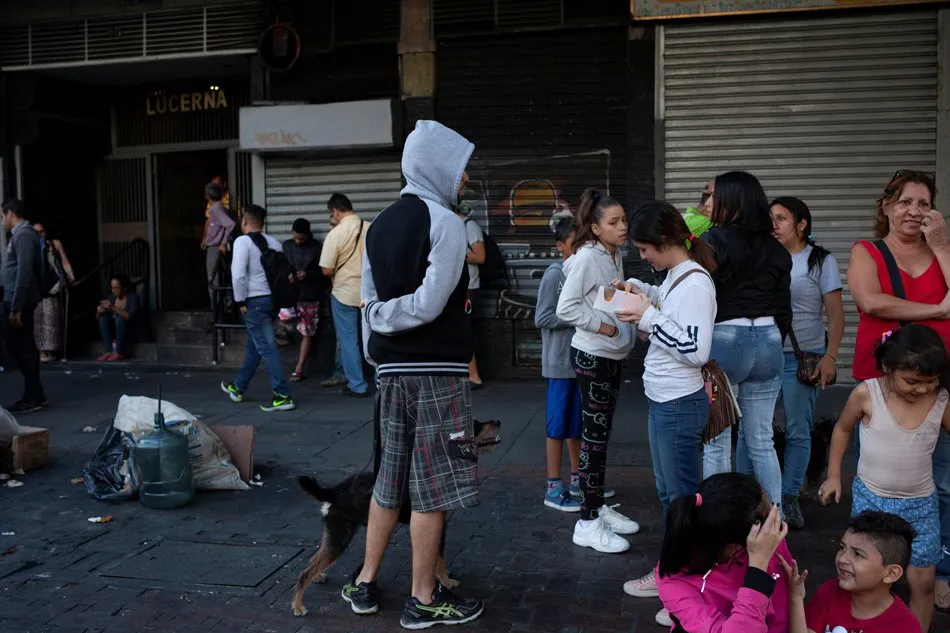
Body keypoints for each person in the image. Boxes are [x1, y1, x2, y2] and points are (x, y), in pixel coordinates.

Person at [349, 120, 483, 628]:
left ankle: (365, 580)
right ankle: (423, 598)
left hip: (391, 372)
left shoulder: (379, 222)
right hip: (436, 375)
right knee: (434, 486)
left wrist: (377, 341)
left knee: (390, 478)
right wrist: (381, 319)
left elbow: (367, 301)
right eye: (461, 167)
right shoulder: (446, 223)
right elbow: (429, 303)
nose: (465, 178)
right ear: (438, 166)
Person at [846, 170, 950, 609]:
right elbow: (870, 301)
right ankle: (876, 569)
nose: (914, 210)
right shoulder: (867, 251)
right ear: (887, 206)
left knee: (941, 478)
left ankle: (935, 566)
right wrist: (939, 309)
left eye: (924, 203)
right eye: (906, 201)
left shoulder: (941, 250)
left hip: (937, 381)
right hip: (884, 382)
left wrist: (942, 245)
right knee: (882, 473)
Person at [615, 201, 718, 627]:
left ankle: (685, 585)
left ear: (665, 242)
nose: (643, 255)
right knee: (669, 495)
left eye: (645, 248)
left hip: (678, 403)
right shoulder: (677, 277)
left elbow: (697, 350)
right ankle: (671, 574)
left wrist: (647, 314)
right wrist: (646, 294)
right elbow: (670, 308)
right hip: (665, 401)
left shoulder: (696, 283)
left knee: (680, 499)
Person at [820, 324, 950, 632]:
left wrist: (934, 388)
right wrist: (834, 476)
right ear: (888, 368)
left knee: (923, 580)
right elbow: (841, 429)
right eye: (912, 381)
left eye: (931, 381)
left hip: (921, 504)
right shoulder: (868, 393)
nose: (922, 389)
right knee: (867, 575)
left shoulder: (941, 400)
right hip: (872, 500)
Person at [701, 171, 792, 510]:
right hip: (768, 340)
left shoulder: (713, 241)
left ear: (730, 201)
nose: (709, 203)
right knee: (761, 440)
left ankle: (720, 522)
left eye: (713, 196)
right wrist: (771, 337)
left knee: (717, 442)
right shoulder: (776, 247)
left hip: (726, 338)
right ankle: (774, 523)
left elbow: (700, 295)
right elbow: (784, 308)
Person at [555, 187, 639, 554]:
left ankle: (598, 506)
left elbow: (602, 296)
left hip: (611, 356)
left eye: (624, 220)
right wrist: (604, 328)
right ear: (594, 227)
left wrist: (632, 313)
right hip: (593, 357)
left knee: (600, 438)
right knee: (594, 438)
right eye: (614, 222)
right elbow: (567, 307)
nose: (623, 226)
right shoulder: (588, 257)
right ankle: (586, 521)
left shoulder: (613, 254)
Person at [769, 196, 845, 529]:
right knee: (757, 431)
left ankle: (789, 497)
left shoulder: (819, 261)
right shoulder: (765, 257)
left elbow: (836, 313)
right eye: (771, 218)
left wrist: (830, 356)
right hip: (764, 354)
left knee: (799, 429)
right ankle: (762, 495)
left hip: (804, 356)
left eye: (782, 218)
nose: (774, 225)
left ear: (802, 224)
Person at [657, 472, 792, 633]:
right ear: (734, 546)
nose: (772, 530)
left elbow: (784, 613)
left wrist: (796, 597)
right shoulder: (674, 580)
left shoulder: (767, 540)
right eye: (765, 522)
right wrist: (757, 570)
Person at [782, 510, 921, 633]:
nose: (842, 559)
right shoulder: (829, 592)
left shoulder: (905, 626)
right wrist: (796, 597)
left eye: (858, 554)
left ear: (891, 574)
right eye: (842, 548)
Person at [220, 204, 295, 413]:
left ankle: (282, 395)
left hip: (254, 300)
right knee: (256, 344)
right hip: (271, 301)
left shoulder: (242, 242)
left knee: (267, 347)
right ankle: (238, 386)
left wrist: (239, 301)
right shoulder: (274, 242)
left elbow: (238, 274)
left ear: (244, 221)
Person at [536, 216, 583, 512]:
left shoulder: (581, 272)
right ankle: (553, 486)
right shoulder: (554, 275)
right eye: (574, 244)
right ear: (560, 247)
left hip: (580, 362)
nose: (579, 249)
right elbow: (542, 317)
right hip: (559, 364)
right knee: (556, 427)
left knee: (577, 426)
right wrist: (575, 317)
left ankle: (579, 481)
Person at [320, 193, 370, 398]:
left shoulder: (336, 234)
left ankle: (358, 385)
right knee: (371, 338)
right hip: (369, 291)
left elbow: (326, 269)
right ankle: (381, 381)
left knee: (349, 341)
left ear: (335, 212)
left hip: (344, 293)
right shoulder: (370, 227)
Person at [1, 199, 47, 413]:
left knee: (23, 346)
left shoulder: (24, 235)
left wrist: (16, 308)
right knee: (17, 345)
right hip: (14, 299)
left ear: (10, 214)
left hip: (20, 302)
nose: (2, 222)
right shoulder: (19, 236)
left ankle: (34, 394)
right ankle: (34, 392)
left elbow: (24, 273)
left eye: (3, 217)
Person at [281, 218, 330, 382]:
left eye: (301, 238)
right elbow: (281, 268)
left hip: (310, 295)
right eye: (295, 237)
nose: (298, 241)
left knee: (307, 331)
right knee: (285, 325)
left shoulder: (317, 248)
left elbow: (325, 275)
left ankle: (299, 368)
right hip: (290, 295)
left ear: (308, 235)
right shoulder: (286, 246)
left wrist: (308, 275)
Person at [32, 223, 75, 363]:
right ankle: (42, 352)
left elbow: (64, 260)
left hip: (54, 285)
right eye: (36, 232)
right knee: (39, 320)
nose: (39, 234)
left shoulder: (54, 244)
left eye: (42, 231)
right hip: (38, 287)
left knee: (52, 319)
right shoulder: (31, 246)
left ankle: (51, 350)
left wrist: (70, 274)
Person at [456, 206, 485, 388]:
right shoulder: (453, 227)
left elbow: (480, 257)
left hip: (468, 288)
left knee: (463, 329)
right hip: (457, 287)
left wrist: (456, 252)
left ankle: (473, 376)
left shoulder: (469, 225)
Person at [201, 181, 236, 310]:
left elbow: (230, 224)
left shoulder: (217, 209)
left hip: (215, 248)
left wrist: (223, 242)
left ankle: (216, 315)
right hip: (215, 247)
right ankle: (220, 311)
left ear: (207, 196)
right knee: (219, 280)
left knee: (213, 281)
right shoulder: (219, 208)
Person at [96, 275, 141, 361]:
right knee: (103, 319)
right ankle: (108, 351)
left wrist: (112, 307)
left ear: (124, 288)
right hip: (115, 332)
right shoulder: (112, 298)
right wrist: (99, 311)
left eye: (116, 288)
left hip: (128, 331)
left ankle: (118, 352)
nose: (114, 291)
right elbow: (97, 318)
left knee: (119, 319)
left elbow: (130, 317)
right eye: (112, 288)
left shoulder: (133, 298)